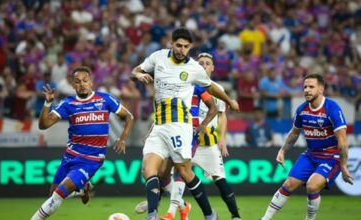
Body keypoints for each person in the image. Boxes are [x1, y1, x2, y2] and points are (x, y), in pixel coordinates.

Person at [131, 27, 239, 220]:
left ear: (190, 48)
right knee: (148, 169)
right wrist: (138, 75)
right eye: (178, 45)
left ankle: (208, 214)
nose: (182, 49)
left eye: (186, 47)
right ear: (171, 44)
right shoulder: (158, 57)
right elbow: (135, 71)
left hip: (179, 126)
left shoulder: (194, 69)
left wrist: (229, 101)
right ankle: (153, 215)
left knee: (184, 171)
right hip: (159, 126)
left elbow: (211, 87)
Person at [30, 66, 134, 220]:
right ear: (73, 85)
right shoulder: (68, 103)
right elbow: (43, 125)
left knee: (59, 194)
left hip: (91, 159)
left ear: (91, 82)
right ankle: (82, 189)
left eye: (85, 80)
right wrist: (47, 103)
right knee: (53, 194)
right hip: (70, 156)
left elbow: (129, 117)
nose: (82, 84)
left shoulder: (105, 99)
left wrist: (122, 138)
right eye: (77, 81)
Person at [260, 73, 353, 220]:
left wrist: (343, 166)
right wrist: (282, 150)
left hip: (330, 157)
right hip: (311, 155)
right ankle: (265, 218)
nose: (307, 90)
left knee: (312, 185)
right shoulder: (302, 110)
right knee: (289, 184)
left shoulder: (332, 108)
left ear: (321, 89)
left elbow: (342, 141)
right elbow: (294, 134)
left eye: (311, 87)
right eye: (305, 87)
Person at [162, 52, 242, 220]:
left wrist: (222, 140)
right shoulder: (186, 85)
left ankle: (235, 216)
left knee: (220, 181)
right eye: (201, 63)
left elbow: (222, 115)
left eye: (207, 63)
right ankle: (172, 212)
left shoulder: (217, 89)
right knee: (180, 173)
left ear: (212, 68)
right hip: (188, 141)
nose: (204, 65)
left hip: (209, 145)